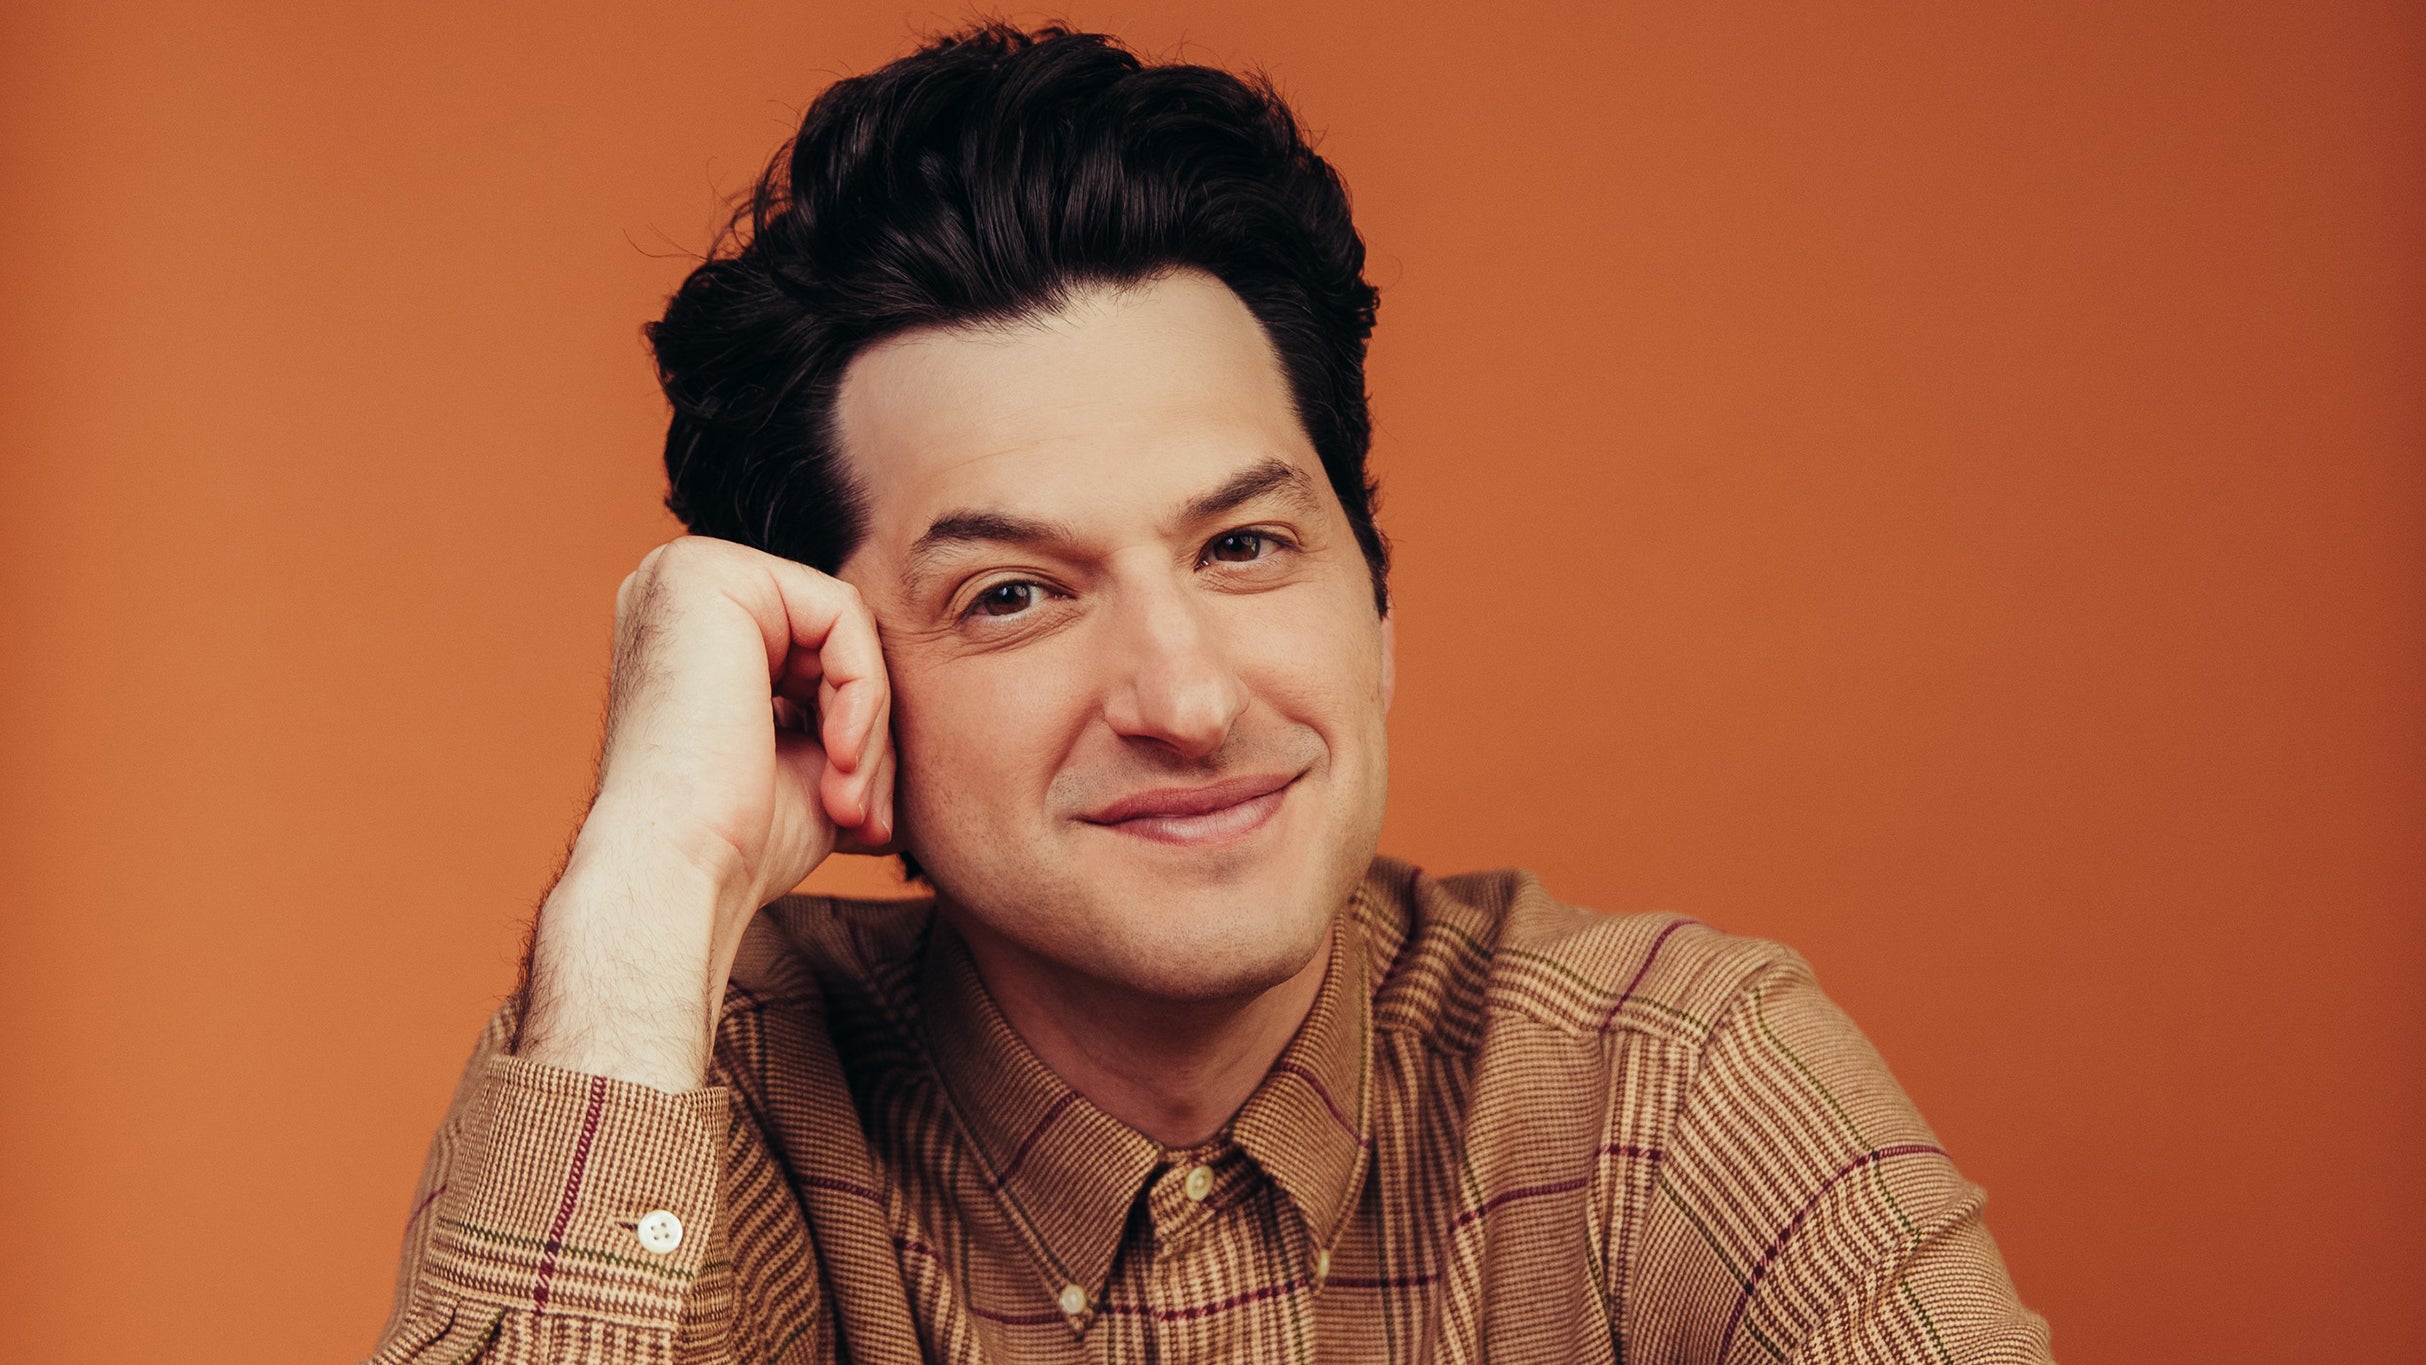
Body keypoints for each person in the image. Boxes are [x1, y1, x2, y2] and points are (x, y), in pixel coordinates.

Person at [362, 23, 2052, 1364]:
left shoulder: (1666, 1088)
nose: (1183, 697)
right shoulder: (684, 1096)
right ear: (828, 686)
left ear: (1373, 609)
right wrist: (649, 870)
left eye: (1244, 546)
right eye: (1013, 594)